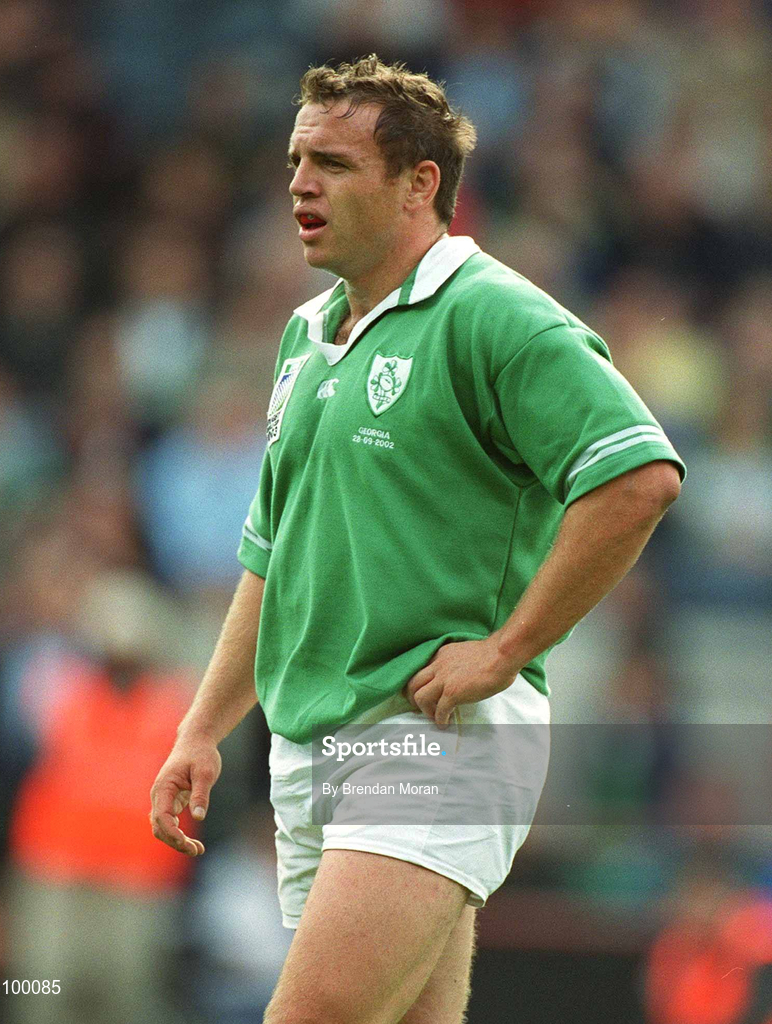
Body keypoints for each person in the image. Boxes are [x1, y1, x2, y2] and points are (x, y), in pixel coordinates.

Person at [150, 55, 685, 1024]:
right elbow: (271, 552)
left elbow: (636, 477)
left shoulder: (495, 314)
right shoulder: (305, 335)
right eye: (293, 160)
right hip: (312, 741)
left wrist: (507, 649)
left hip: (428, 737)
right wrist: (203, 725)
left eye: (332, 164)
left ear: (418, 183)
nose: (299, 184)